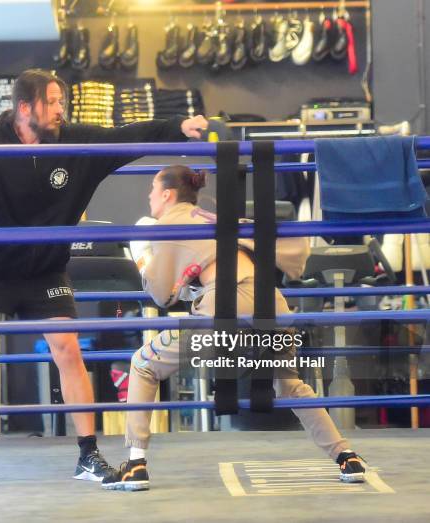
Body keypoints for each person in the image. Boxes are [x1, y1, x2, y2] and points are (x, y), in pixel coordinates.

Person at [0, 69, 208, 483]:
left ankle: (87, 455)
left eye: (60, 102)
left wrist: (178, 126)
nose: (59, 110)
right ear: (24, 109)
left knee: (67, 350)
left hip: (45, 269)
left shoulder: (77, 143)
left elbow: (128, 134)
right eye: (51, 102)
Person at [102, 165, 367, 491]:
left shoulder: (169, 223)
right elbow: (291, 252)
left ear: (167, 194)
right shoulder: (216, 219)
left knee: (142, 364)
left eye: (152, 190)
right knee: (290, 385)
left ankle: (136, 464)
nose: (149, 196)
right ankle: (347, 457)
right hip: (272, 305)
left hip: (225, 310)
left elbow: (159, 295)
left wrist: (143, 261)